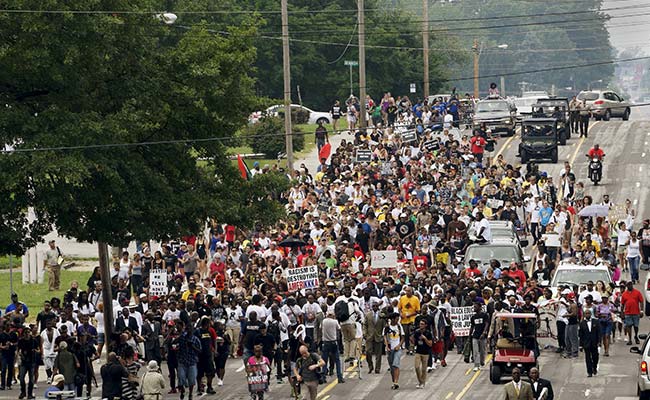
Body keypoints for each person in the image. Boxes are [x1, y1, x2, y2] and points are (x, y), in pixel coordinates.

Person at [177, 321, 202, 400]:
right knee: (181, 378)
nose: (189, 331)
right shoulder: (182, 337)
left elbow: (200, 351)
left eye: (190, 329)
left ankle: (190, 394)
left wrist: (193, 346)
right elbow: (175, 343)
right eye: (187, 329)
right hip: (182, 361)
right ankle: (182, 390)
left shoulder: (195, 339)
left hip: (192, 362)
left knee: (191, 380)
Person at [320, 310, 344, 384]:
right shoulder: (335, 322)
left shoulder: (323, 321)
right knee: (337, 360)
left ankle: (323, 377)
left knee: (324, 360)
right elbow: (339, 329)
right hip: (333, 342)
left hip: (325, 342)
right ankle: (339, 377)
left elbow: (320, 328)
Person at [363, 301, 385, 375]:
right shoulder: (368, 315)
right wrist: (365, 333)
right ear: (372, 307)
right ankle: (370, 366)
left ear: (378, 307)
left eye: (376, 306)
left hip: (378, 336)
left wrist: (383, 335)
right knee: (368, 352)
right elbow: (365, 325)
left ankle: (377, 368)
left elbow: (384, 326)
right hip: (369, 336)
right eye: (373, 306)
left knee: (378, 354)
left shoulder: (382, 315)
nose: (375, 307)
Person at [17, 327, 39, 399]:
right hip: (23, 361)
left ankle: (30, 393)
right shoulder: (21, 341)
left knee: (31, 379)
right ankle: (23, 392)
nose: (27, 334)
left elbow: (38, 349)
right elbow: (18, 350)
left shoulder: (33, 341)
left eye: (28, 332)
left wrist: (35, 351)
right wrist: (19, 355)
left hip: (31, 361)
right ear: (23, 334)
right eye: (25, 332)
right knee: (21, 377)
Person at [384, 312, 404, 390]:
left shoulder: (399, 326)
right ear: (392, 319)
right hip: (390, 349)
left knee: (396, 365)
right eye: (396, 319)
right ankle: (394, 380)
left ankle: (396, 382)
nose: (397, 320)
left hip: (397, 349)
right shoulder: (387, 327)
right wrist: (387, 346)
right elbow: (385, 337)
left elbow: (402, 337)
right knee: (392, 366)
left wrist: (399, 345)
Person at [579, 309, 601, 377]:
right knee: (588, 358)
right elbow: (581, 335)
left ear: (591, 314)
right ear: (584, 315)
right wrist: (581, 345)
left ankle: (594, 367)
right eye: (586, 313)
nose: (587, 315)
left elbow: (599, 332)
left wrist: (599, 341)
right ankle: (589, 372)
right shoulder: (582, 323)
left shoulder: (596, 322)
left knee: (595, 357)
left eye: (588, 313)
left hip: (594, 343)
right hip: (586, 343)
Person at [411, 319, 432, 389]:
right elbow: (414, 342)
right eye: (420, 324)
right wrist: (412, 339)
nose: (421, 325)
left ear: (425, 325)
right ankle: (420, 381)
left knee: (423, 369)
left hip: (425, 353)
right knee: (417, 367)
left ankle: (423, 383)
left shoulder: (428, 333)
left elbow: (430, 344)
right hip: (418, 352)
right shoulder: (417, 332)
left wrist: (425, 339)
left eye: (422, 324)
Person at [398, 286, 420, 355]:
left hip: (412, 320)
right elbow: (399, 308)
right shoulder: (402, 298)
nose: (407, 292)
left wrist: (410, 314)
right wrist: (401, 314)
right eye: (406, 291)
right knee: (406, 335)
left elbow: (418, 311)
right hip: (404, 320)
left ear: (412, 291)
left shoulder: (416, 299)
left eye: (409, 291)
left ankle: (411, 349)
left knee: (411, 335)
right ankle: (407, 348)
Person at [621, 280, 644, 345]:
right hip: (627, 313)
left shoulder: (637, 292)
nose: (630, 285)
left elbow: (641, 301)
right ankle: (630, 339)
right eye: (628, 284)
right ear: (626, 286)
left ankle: (636, 336)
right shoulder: (624, 294)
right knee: (629, 326)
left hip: (636, 312)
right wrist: (622, 313)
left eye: (631, 284)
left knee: (636, 326)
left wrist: (641, 310)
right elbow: (622, 304)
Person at [469, 301, 489, 372]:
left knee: (482, 351)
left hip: (482, 336)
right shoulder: (473, 317)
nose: (474, 308)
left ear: (480, 307)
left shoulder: (484, 315)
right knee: (475, 351)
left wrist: (484, 333)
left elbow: (486, 324)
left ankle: (482, 362)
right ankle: (476, 365)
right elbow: (472, 326)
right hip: (475, 336)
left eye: (475, 306)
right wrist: (469, 335)